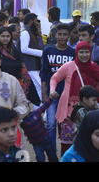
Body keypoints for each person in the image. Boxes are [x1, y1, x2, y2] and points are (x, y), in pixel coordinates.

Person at [49, 41, 99, 155]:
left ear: (90, 53)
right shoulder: (69, 66)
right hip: (69, 112)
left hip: (90, 110)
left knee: (89, 141)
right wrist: (52, 90)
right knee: (67, 143)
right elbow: (54, 78)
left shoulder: (95, 67)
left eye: (87, 52)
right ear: (77, 52)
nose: (84, 55)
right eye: (81, 52)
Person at [40, 23, 75, 155]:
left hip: (68, 96)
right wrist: (44, 94)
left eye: (64, 34)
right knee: (51, 125)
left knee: (66, 126)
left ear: (69, 35)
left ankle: (65, 154)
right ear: (55, 35)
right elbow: (43, 73)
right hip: (52, 95)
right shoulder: (48, 50)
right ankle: (52, 154)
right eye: (59, 34)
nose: (62, 37)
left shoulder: (73, 53)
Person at [20, 13, 43, 106]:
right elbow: (24, 49)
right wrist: (41, 53)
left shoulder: (32, 32)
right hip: (29, 65)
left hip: (34, 64)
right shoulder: (25, 33)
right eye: (36, 21)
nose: (37, 23)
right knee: (40, 87)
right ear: (31, 21)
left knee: (40, 87)